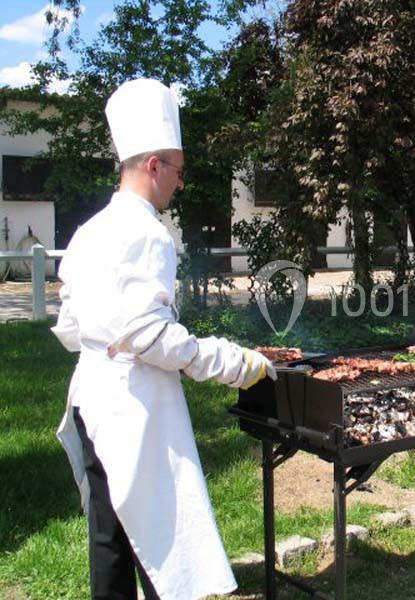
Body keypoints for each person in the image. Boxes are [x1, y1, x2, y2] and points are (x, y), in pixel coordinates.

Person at [51, 78, 276, 600]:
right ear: (153, 165)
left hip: (90, 398)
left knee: (109, 539)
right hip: (134, 412)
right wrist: (232, 361)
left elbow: (69, 321)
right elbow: (150, 336)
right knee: (160, 543)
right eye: (177, 168)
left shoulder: (89, 230)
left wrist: (104, 342)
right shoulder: (149, 233)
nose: (180, 181)